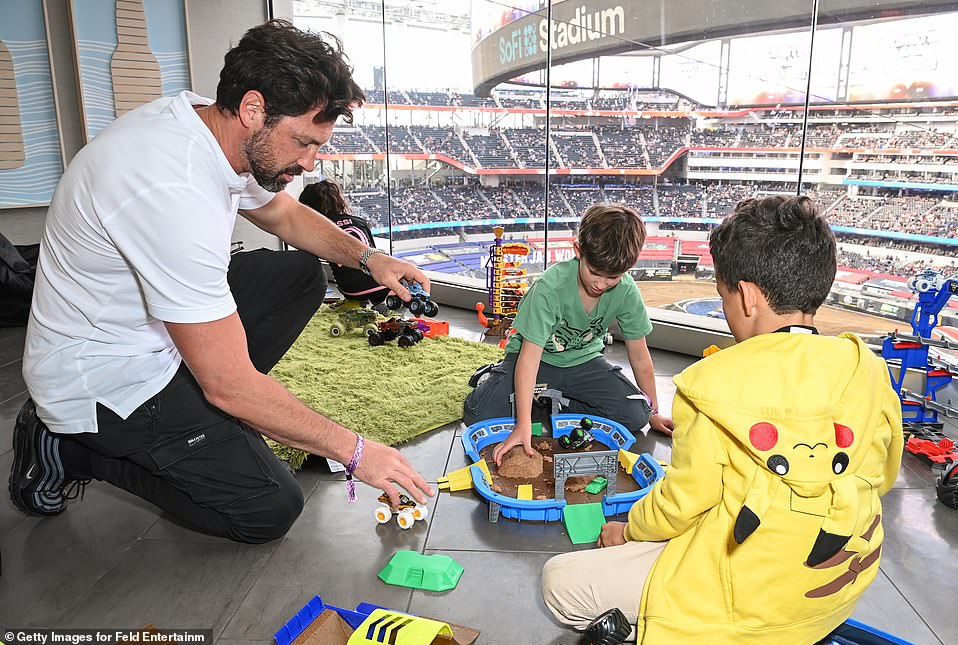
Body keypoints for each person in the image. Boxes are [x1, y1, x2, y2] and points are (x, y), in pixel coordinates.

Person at [9, 20, 433, 544]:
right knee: (269, 509)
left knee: (299, 274)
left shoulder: (210, 124)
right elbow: (227, 383)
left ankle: (207, 417)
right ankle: (67, 447)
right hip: (103, 377)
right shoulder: (170, 185)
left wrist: (368, 259)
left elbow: (281, 215)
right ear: (254, 109)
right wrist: (355, 451)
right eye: (303, 142)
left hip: (152, 330)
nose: (309, 163)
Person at [541, 195, 903, 644]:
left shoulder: (710, 385)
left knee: (559, 582)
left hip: (744, 597)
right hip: (837, 590)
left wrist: (627, 529)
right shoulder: (868, 367)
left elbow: (677, 507)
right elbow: (884, 475)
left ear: (747, 296)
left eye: (723, 294)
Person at [464, 203, 674, 467]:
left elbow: (640, 355)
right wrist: (523, 424)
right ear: (578, 250)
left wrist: (654, 413)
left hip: (584, 362)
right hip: (533, 360)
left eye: (613, 278)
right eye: (595, 272)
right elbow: (529, 358)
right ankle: (500, 379)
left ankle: (546, 399)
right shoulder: (549, 288)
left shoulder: (627, 291)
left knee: (636, 414)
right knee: (477, 414)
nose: (601, 284)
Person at [297, 178, 390, 305]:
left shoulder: (318, 230)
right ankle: (379, 303)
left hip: (352, 291)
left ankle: (360, 303)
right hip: (382, 284)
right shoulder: (359, 221)